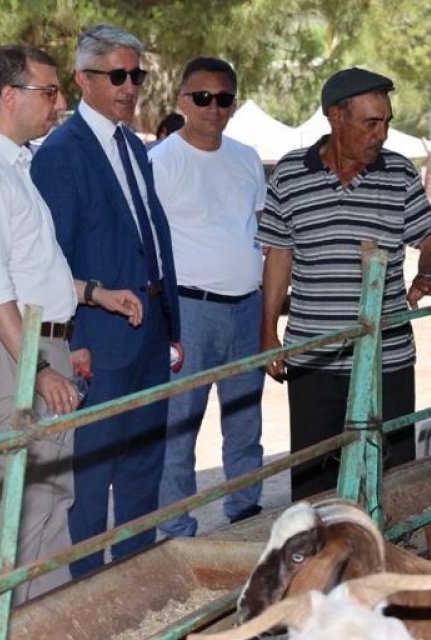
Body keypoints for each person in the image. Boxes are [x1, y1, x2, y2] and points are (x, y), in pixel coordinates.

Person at [0, 43, 142, 604]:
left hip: (36, 347)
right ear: (10, 95)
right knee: (29, 507)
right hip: (18, 354)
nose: (59, 102)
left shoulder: (12, 164)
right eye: (49, 91)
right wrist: (35, 369)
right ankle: (5, 622)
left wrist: (94, 294)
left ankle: (46, 622)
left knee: (51, 505)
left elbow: (30, 272)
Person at [259, 67, 431, 501]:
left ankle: (391, 557)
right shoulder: (291, 174)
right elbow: (278, 258)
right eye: (372, 122)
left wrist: (428, 272)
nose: (382, 133)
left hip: (388, 356)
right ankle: (323, 566)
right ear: (336, 117)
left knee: (394, 479)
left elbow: (429, 240)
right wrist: (269, 332)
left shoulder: (400, 173)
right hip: (314, 354)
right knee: (314, 480)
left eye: (386, 121)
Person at [31, 24, 183, 578]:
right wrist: (75, 343)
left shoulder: (134, 146)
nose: (129, 86)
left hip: (148, 331)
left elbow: (152, 240)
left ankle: (138, 575)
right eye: (116, 75)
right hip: (96, 339)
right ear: (82, 80)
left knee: (145, 462)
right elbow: (56, 258)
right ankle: (89, 586)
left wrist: (171, 324)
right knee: (92, 474)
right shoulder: (60, 154)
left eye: (135, 75)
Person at [150, 57, 265, 537]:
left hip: (247, 306)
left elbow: (261, 230)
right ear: (182, 101)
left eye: (223, 99)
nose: (213, 107)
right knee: (179, 423)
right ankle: (176, 529)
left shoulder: (247, 158)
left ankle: (246, 512)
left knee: (245, 420)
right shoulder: (158, 161)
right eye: (202, 97)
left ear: (233, 104)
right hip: (187, 310)